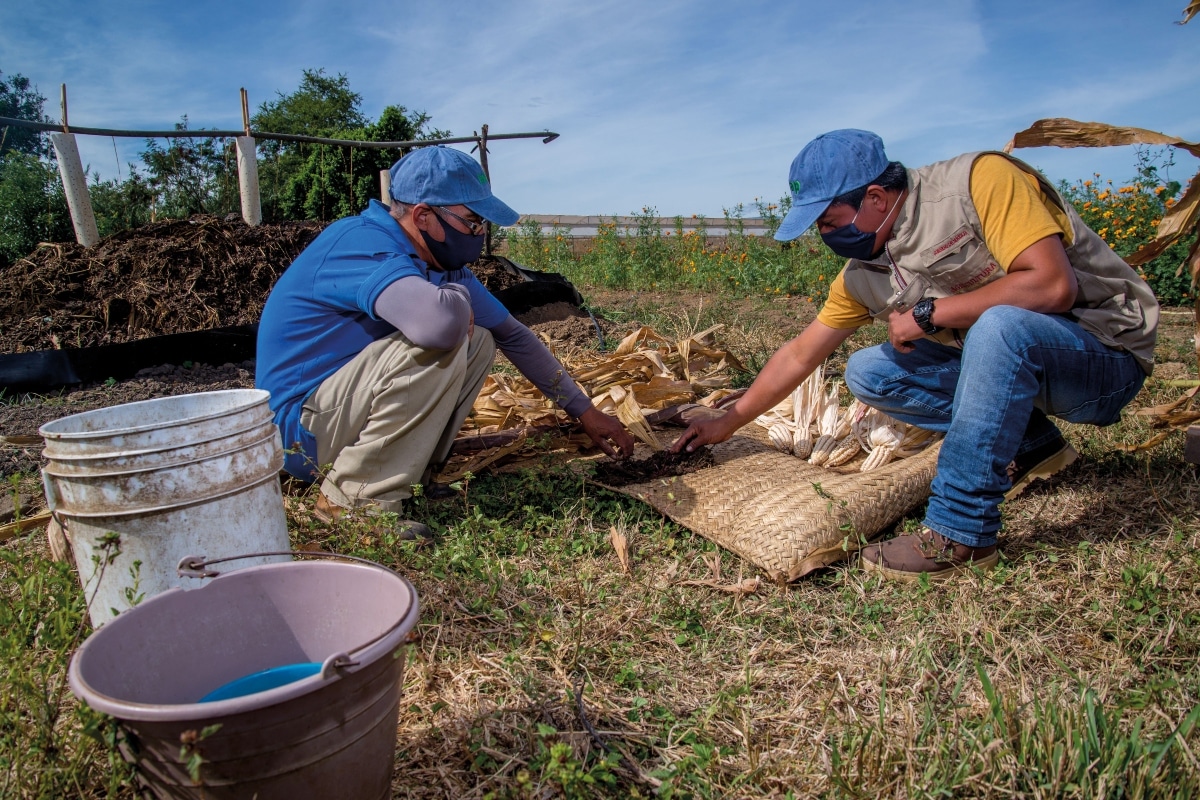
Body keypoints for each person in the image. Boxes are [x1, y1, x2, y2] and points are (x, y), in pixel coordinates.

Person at [672, 129, 1158, 581]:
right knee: (871, 371)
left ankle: (960, 534)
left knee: (1000, 326)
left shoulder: (979, 182)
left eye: (829, 222)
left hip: (1103, 354)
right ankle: (1034, 445)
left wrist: (931, 314)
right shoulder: (863, 272)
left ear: (875, 198)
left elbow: (1052, 285)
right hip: (1020, 364)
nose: (826, 238)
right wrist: (729, 420)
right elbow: (802, 352)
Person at [257, 146, 633, 535]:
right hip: (299, 432)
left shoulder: (439, 265)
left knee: (481, 340)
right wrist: (458, 299)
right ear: (423, 216)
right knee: (444, 339)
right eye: (473, 222)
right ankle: (353, 501)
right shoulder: (362, 243)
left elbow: (514, 337)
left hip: (340, 413)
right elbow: (436, 327)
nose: (481, 233)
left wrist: (586, 412)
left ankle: (410, 474)